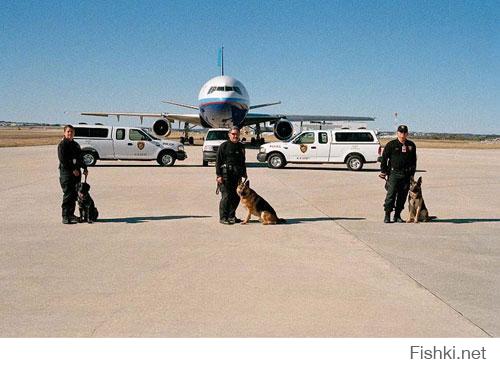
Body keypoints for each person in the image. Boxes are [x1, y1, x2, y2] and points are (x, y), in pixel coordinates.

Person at [379, 124, 417, 223]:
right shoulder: (391, 145)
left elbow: (414, 161)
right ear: (397, 133)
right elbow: (384, 159)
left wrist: (412, 175)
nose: (403, 134)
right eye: (401, 132)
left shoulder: (411, 145)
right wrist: (383, 171)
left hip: (406, 175)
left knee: (402, 196)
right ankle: (387, 215)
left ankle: (397, 215)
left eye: (405, 132)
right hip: (394, 174)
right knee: (391, 195)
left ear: (407, 133)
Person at [215, 127, 247, 225]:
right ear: (229, 135)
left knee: (236, 197)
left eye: (236, 134)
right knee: (226, 197)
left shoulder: (241, 147)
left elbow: (243, 161)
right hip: (225, 176)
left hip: (237, 176)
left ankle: (231, 216)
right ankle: (223, 217)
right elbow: (218, 161)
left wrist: (244, 173)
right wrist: (218, 175)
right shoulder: (223, 146)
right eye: (233, 134)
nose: (235, 136)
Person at [58, 125, 88, 224]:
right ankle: (65, 216)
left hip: (76, 174)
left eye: (72, 132)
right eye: (68, 132)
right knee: (68, 195)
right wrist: (72, 169)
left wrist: (85, 168)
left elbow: (80, 157)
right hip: (67, 174)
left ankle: (71, 214)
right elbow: (63, 160)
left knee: (75, 195)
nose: (70, 133)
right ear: (64, 133)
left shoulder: (75, 144)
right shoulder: (62, 145)